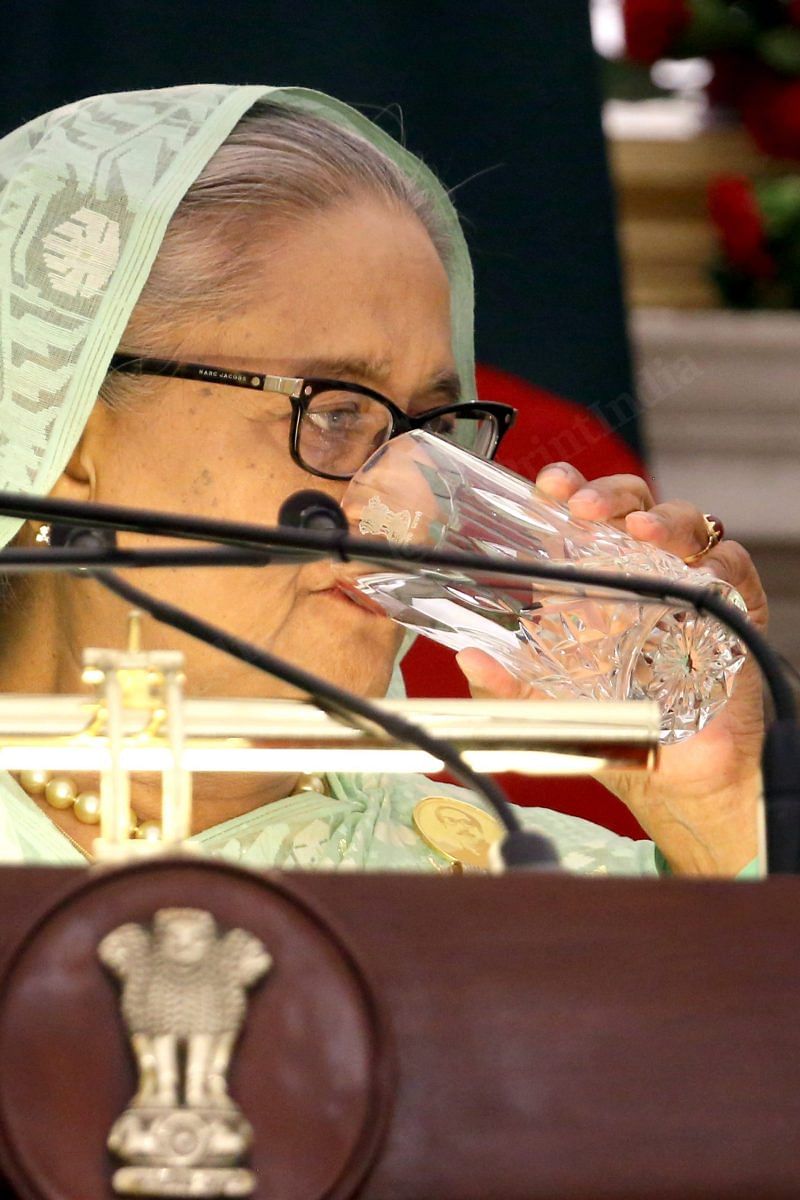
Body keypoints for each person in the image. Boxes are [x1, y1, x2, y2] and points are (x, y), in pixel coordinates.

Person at [0, 85, 766, 877]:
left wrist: (717, 814)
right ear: (65, 446)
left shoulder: (527, 905)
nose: (408, 500)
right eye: (333, 411)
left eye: (431, 431)